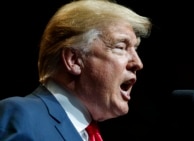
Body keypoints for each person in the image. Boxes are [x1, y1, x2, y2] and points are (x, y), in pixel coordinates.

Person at [0, 0, 151, 140]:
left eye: (135, 49)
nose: (138, 63)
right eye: (120, 47)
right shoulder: (21, 116)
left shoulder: (87, 134)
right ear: (74, 60)